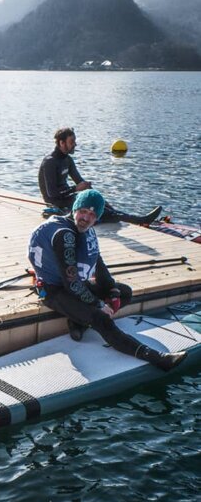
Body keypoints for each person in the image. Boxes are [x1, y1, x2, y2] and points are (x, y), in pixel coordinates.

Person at [28, 188, 186, 371]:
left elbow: (98, 263)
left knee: (124, 292)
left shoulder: (83, 229)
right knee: (101, 318)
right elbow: (71, 283)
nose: (86, 218)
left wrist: (112, 291)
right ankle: (156, 358)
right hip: (53, 290)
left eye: (93, 214)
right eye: (83, 211)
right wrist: (97, 304)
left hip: (73, 285)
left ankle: (78, 321)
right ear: (74, 209)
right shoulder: (65, 235)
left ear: (97, 218)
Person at [38, 127, 162, 225]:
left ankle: (120, 214)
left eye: (74, 141)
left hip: (68, 196)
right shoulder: (50, 162)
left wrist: (99, 199)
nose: (75, 145)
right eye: (72, 142)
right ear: (61, 143)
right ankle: (140, 220)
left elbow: (80, 182)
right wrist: (75, 189)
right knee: (104, 212)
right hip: (55, 202)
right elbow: (52, 194)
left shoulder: (68, 160)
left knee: (98, 200)